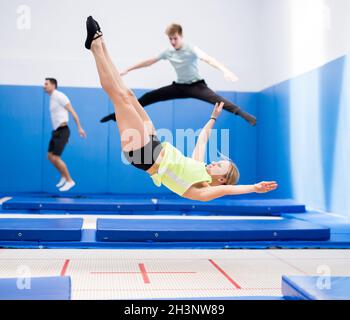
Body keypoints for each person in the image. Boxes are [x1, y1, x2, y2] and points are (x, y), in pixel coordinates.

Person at [85, 16, 277, 201]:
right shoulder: (198, 166)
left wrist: (253, 187)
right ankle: (101, 43)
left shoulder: (199, 189)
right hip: (153, 143)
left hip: (143, 155)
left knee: (120, 99)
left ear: (221, 179)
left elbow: (226, 191)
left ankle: (95, 48)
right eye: (219, 161)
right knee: (128, 94)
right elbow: (202, 140)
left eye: (220, 166)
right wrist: (213, 117)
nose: (215, 162)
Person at [100, 23, 256, 126]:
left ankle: (243, 114)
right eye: (170, 39)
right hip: (179, 87)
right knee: (149, 96)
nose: (173, 42)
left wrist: (226, 71)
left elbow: (209, 60)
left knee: (218, 100)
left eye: (175, 38)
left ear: (181, 36)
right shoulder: (168, 52)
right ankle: (116, 115)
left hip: (197, 86)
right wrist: (129, 69)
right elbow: (149, 61)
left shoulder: (191, 49)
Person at [44, 78, 87, 192]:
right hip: (56, 131)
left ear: (53, 85)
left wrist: (79, 128)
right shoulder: (52, 98)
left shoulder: (60, 96)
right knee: (49, 156)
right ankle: (63, 176)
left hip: (63, 130)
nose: (44, 86)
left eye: (46, 84)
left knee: (56, 157)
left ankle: (69, 180)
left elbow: (72, 112)